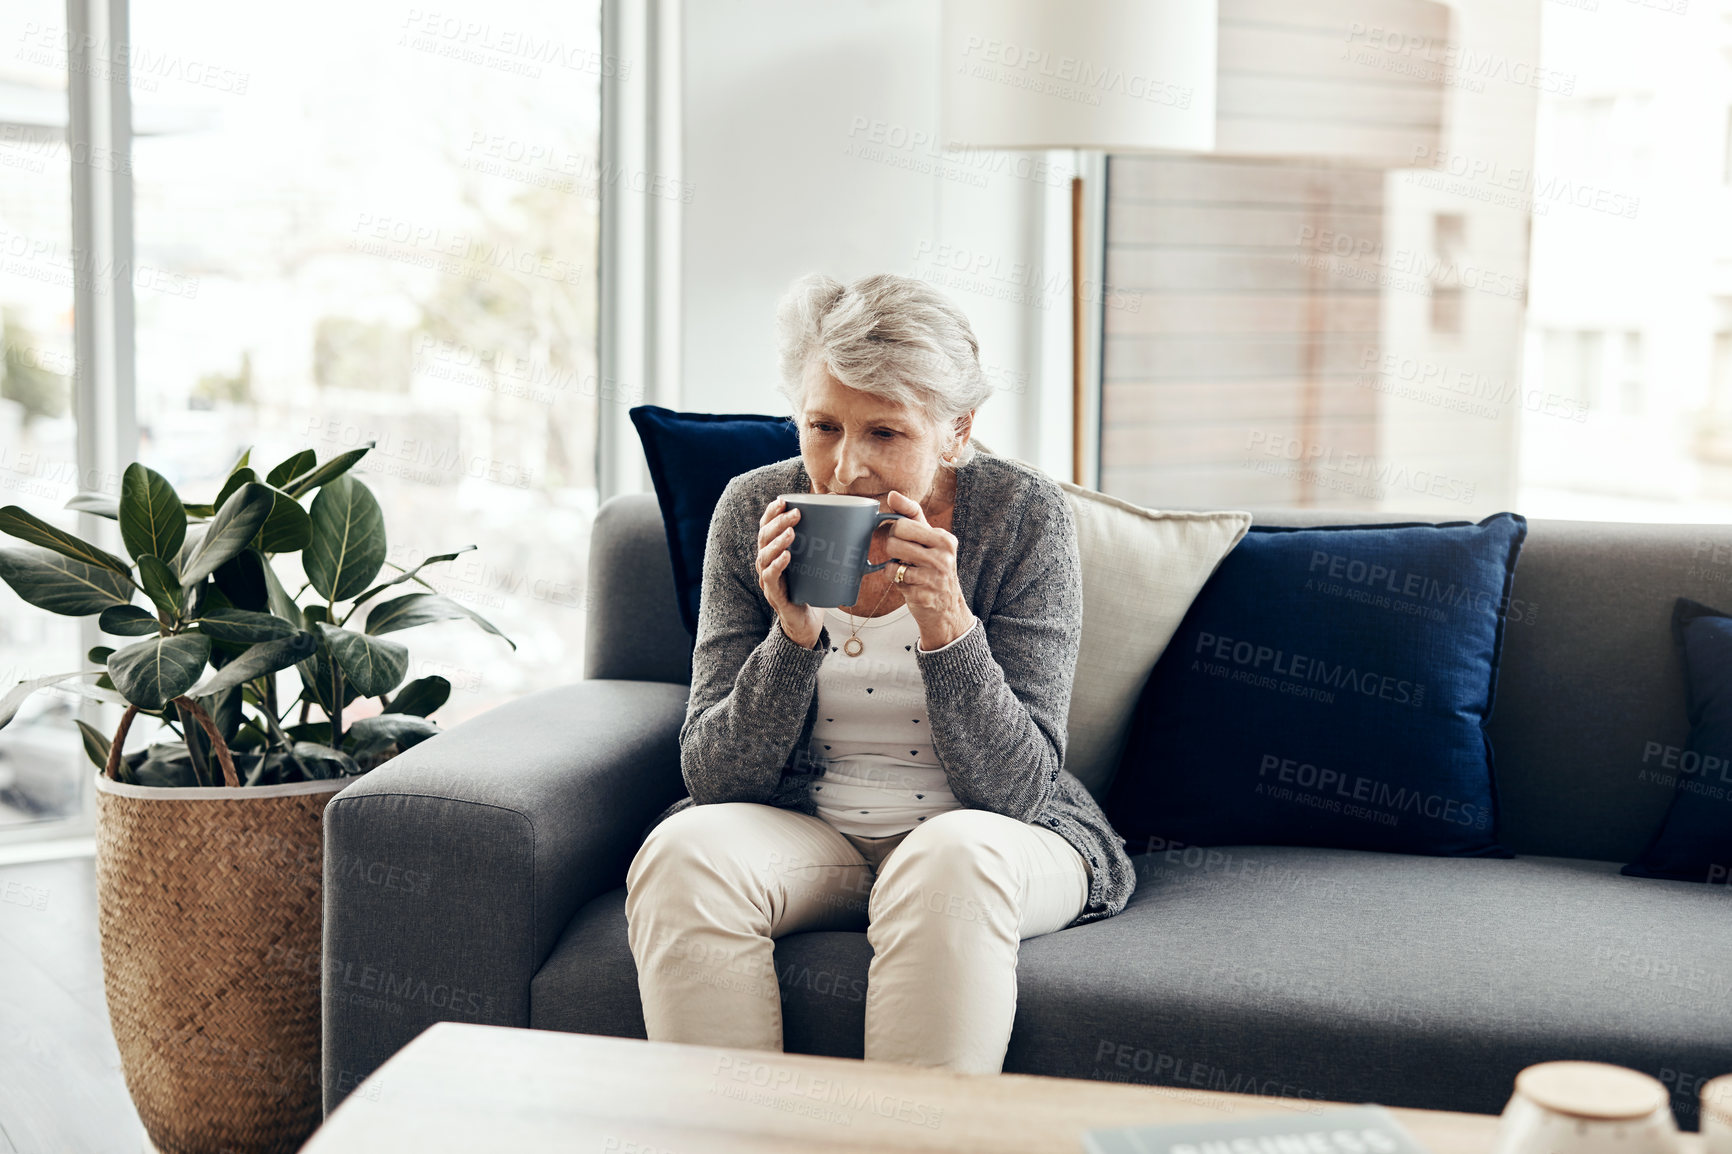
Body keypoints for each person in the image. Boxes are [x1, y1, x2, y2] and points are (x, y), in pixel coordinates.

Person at [624, 271, 1135, 1075]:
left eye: (885, 434)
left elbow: (1021, 789)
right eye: (823, 425)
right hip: (813, 832)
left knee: (948, 860)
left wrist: (948, 625)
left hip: (987, 833)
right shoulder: (753, 508)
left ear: (957, 431)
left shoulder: (1022, 517)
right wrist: (790, 637)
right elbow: (715, 776)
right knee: (684, 851)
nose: (845, 468)